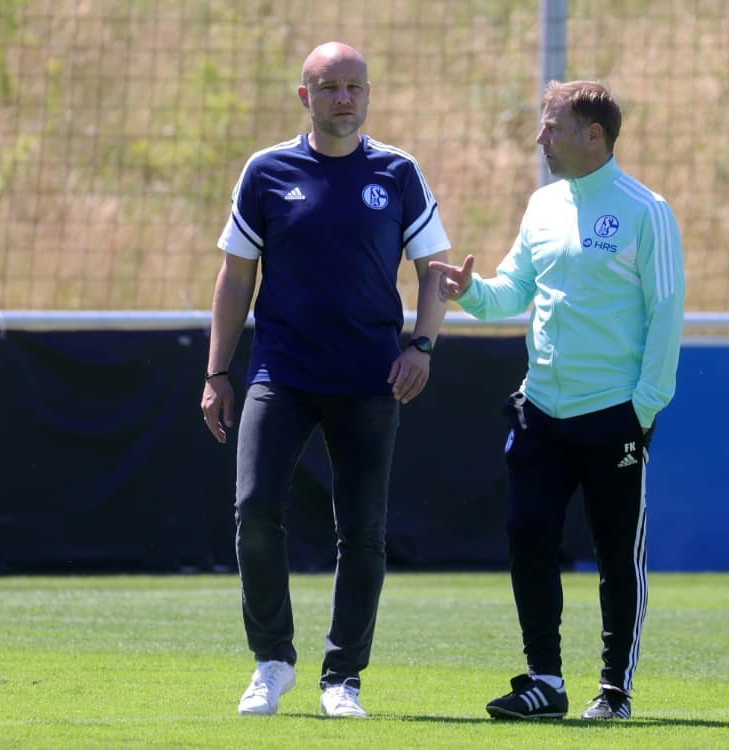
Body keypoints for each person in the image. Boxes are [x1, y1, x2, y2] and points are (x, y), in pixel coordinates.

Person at [200, 41, 450, 719]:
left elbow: (433, 269)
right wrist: (217, 370)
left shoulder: (397, 172)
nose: (345, 98)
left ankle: (343, 679)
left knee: (363, 530)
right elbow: (235, 276)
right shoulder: (266, 171)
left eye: (355, 86)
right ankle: (272, 661)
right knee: (255, 509)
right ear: (304, 96)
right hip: (280, 372)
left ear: (368, 94)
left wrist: (422, 345)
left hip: (370, 378)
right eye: (331, 86)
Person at [430, 80, 684, 721]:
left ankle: (614, 691)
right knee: (528, 535)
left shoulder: (646, 210)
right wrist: (471, 292)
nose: (539, 138)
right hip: (540, 411)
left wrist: (644, 408)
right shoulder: (542, 205)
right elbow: (514, 290)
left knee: (616, 553)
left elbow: (666, 312)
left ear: (593, 135)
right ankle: (545, 681)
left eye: (553, 127)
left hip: (614, 415)